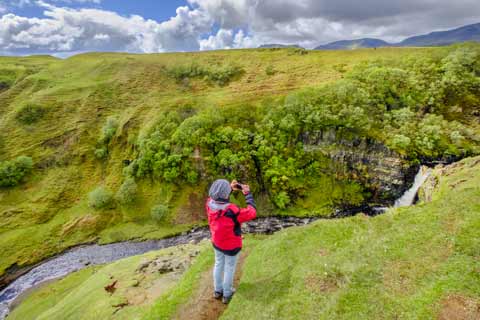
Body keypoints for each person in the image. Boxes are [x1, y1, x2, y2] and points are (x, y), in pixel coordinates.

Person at [206, 179, 257, 304]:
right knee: (229, 268)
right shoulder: (232, 210)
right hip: (231, 245)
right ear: (226, 194)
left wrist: (230, 188)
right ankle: (227, 294)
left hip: (217, 241)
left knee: (218, 264)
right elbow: (251, 212)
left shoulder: (209, 203)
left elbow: (219, 196)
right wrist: (247, 194)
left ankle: (218, 291)